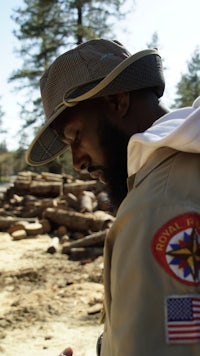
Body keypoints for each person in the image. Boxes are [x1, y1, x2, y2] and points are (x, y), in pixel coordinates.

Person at [26, 39, 200, 355]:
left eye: (76, 137)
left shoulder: (155, 208)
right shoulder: (188, 169)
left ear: (118, 101)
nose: (78, 162)